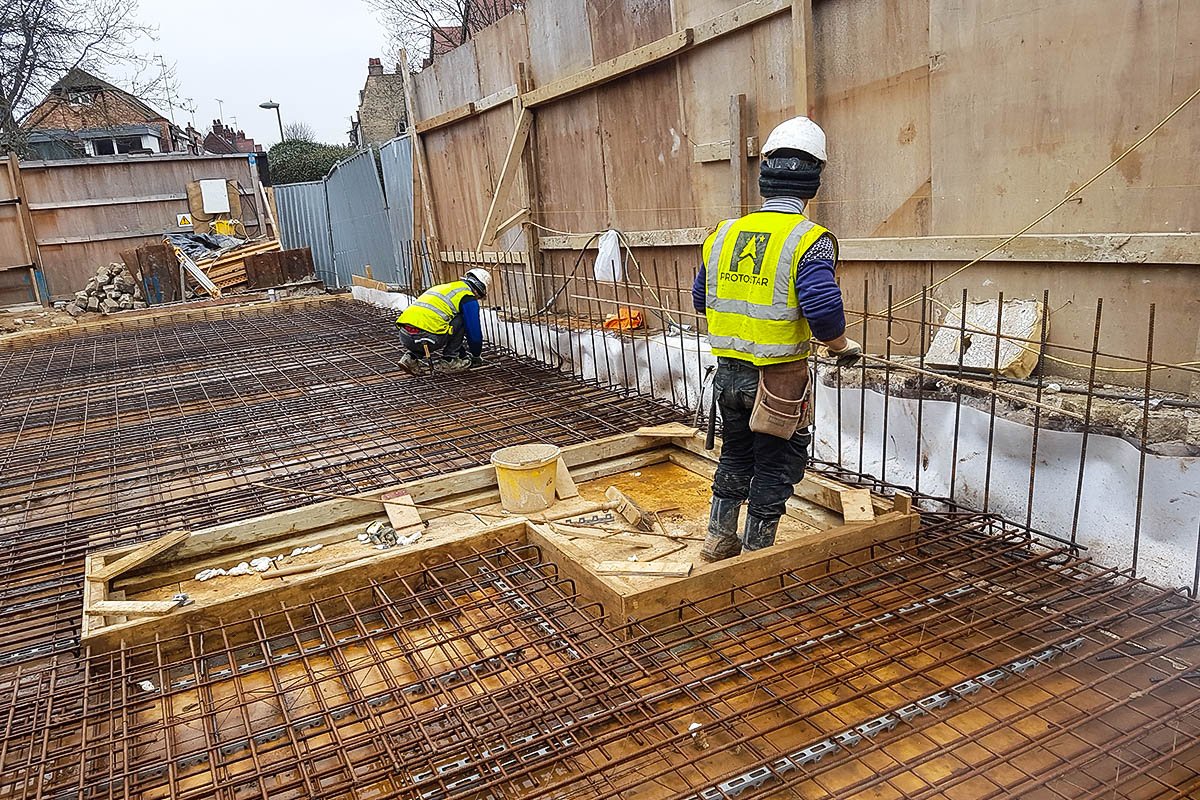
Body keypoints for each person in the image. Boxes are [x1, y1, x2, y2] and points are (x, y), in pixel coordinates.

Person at [691, 116, 861, 562]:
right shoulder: (810, 240)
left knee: (735, 455)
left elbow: (699, 296)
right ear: (813, 182)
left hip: (727, 376)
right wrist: (841, 346)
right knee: (776, 464)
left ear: (765, 177)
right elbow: (822, 307)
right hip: (778, 381)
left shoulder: (723, 233)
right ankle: (755, 555)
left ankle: (718, 539)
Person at [396, 268, 491, 374]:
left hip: (405, 335)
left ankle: (410, 358)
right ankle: (449, 360)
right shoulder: (468, 297)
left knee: (426, 326)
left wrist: (462, 351)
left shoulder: (444, 288)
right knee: (462, 318)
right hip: (429, 337)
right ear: (480, 289)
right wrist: (476, 355)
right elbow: (474, 333)